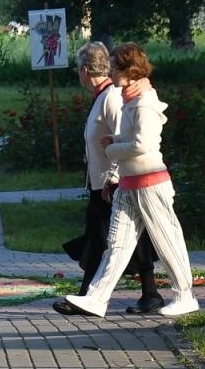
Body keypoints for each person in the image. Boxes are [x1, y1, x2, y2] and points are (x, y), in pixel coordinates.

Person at [54, 42, 198, 319]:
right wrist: (118, 142)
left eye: (113, 66)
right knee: (117, 244)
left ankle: (184, 295)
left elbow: (144, 144)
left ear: (127, 70)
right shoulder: (130, 99)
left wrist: (112, 149)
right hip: (130, 183)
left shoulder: (145, 102)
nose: (108, 70)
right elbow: (131, 138)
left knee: (166, 239)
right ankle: (96, 298)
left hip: (149, 182)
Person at [63, 41, 164, 313]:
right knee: (104, 238)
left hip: (113, 183)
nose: (78, 73)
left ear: (85, 70)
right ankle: (146, 292)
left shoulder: (109, 98)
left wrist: (114, 177)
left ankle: (91, 295)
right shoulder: (102, 96)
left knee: (111, 237)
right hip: (102, 182)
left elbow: (124, 136)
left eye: (78, 69)